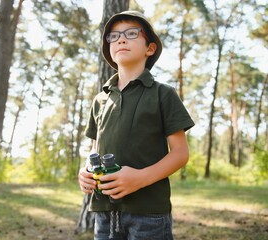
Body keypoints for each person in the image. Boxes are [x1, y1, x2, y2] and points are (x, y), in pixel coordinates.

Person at [78, 10, 195, 240]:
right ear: (109, 49)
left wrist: (139, 178)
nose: (121, 39)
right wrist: (85, 171)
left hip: (149, 213)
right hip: (104, 210)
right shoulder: (100, 99)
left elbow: (180, 154)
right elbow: (94, 149)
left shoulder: (163, 94)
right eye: (113, 36)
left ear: (149, 48)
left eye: (131, 33)